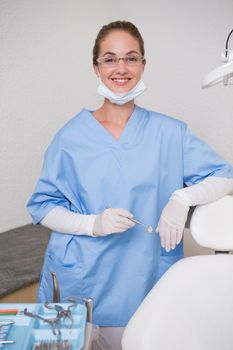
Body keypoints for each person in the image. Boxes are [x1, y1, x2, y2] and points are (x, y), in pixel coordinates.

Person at [27, 20, 233, 350]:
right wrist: (92, 224)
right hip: (80, 286)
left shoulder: (170, 133)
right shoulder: (71, 137)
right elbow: (43, 207)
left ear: (143, 64)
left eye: (131, 58)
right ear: (96, 67)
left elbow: (224, 177)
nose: (121, 68)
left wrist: (182, 198)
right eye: (109, 59)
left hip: (145, 285)